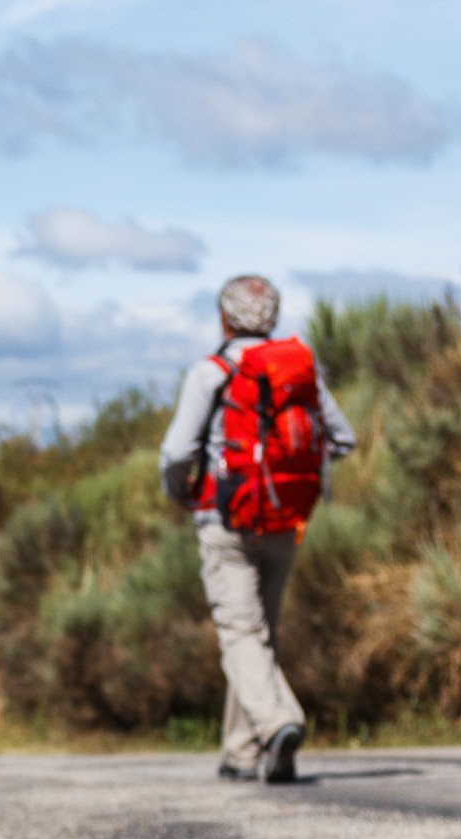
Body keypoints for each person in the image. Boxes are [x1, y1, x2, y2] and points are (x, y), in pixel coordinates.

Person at [159, 273, 356, 785]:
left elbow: (177, 452)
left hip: (225, 520)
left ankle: (278, 723)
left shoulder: (212, 372)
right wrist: (290, 472)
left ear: (224, 318)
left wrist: (180, 491)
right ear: (273, 317)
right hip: (286, 519)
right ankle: (240, 752)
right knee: (259, 635)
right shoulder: (297, 371)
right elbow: (343, 438)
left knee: (240, 633)